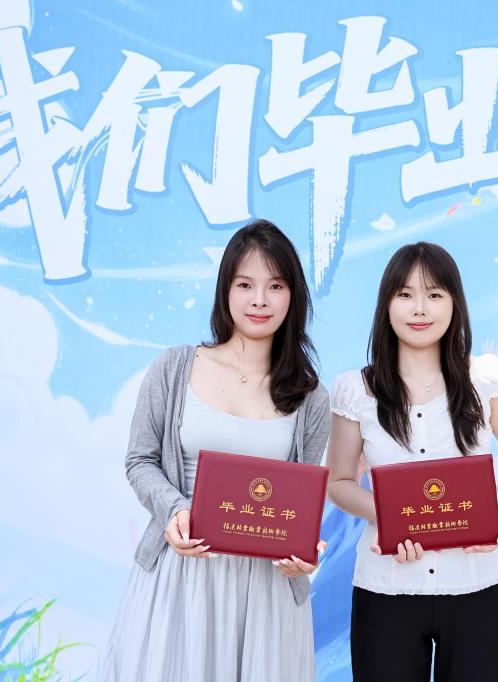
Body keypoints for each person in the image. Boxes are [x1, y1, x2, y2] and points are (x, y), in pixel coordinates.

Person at [102, 219, 330, 682]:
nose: (259, 300)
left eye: (275, 286)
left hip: (265, 593)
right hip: (180, 576)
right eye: (245, 285)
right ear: (225, 290)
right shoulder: (175, 367)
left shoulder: (311, 397)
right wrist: (175, 509)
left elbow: (302, 501)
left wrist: (304, 552)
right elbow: (140, 460)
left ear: (294, 296)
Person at [326, 242, 498, 682]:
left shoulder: (487, 378)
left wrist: (493, 508)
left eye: (434, 294)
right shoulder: (356, 390)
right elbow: (339, 481)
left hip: (479, 583)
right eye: (405, 294)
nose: (419, 308)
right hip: (388, 586)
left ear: (454, 303)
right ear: (386, 304)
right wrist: (391, 517)